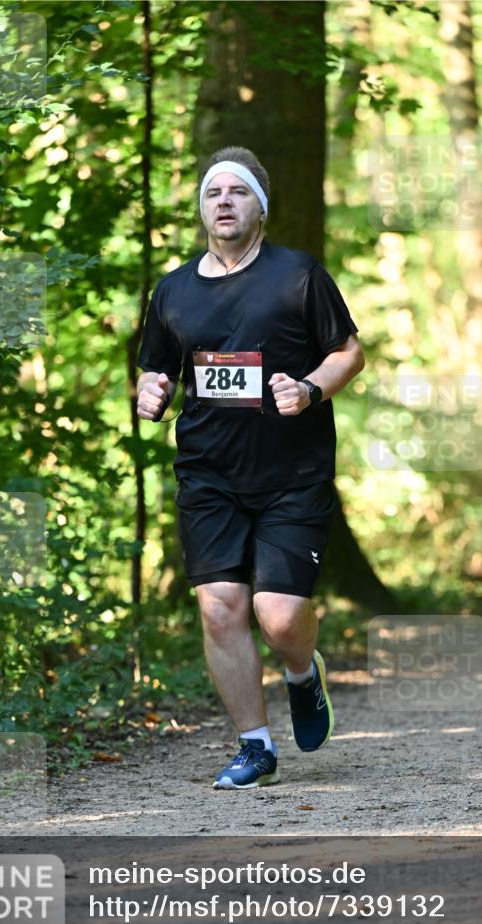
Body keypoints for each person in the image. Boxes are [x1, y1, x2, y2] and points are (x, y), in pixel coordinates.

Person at [136, 146, 364, 789]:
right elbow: (156, 369)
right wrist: (150, 392)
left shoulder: (298, 276)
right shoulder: (173, 290)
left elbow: (349, 352)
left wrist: (312, 389)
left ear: (259, 207)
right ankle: (255, 746)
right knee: (219, 609)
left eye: (239, 192)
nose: (225, 202)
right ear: (203, 207)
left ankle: (301, 672)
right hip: (209, 474)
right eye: (215, 193)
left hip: (293, 474)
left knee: (281, 616)